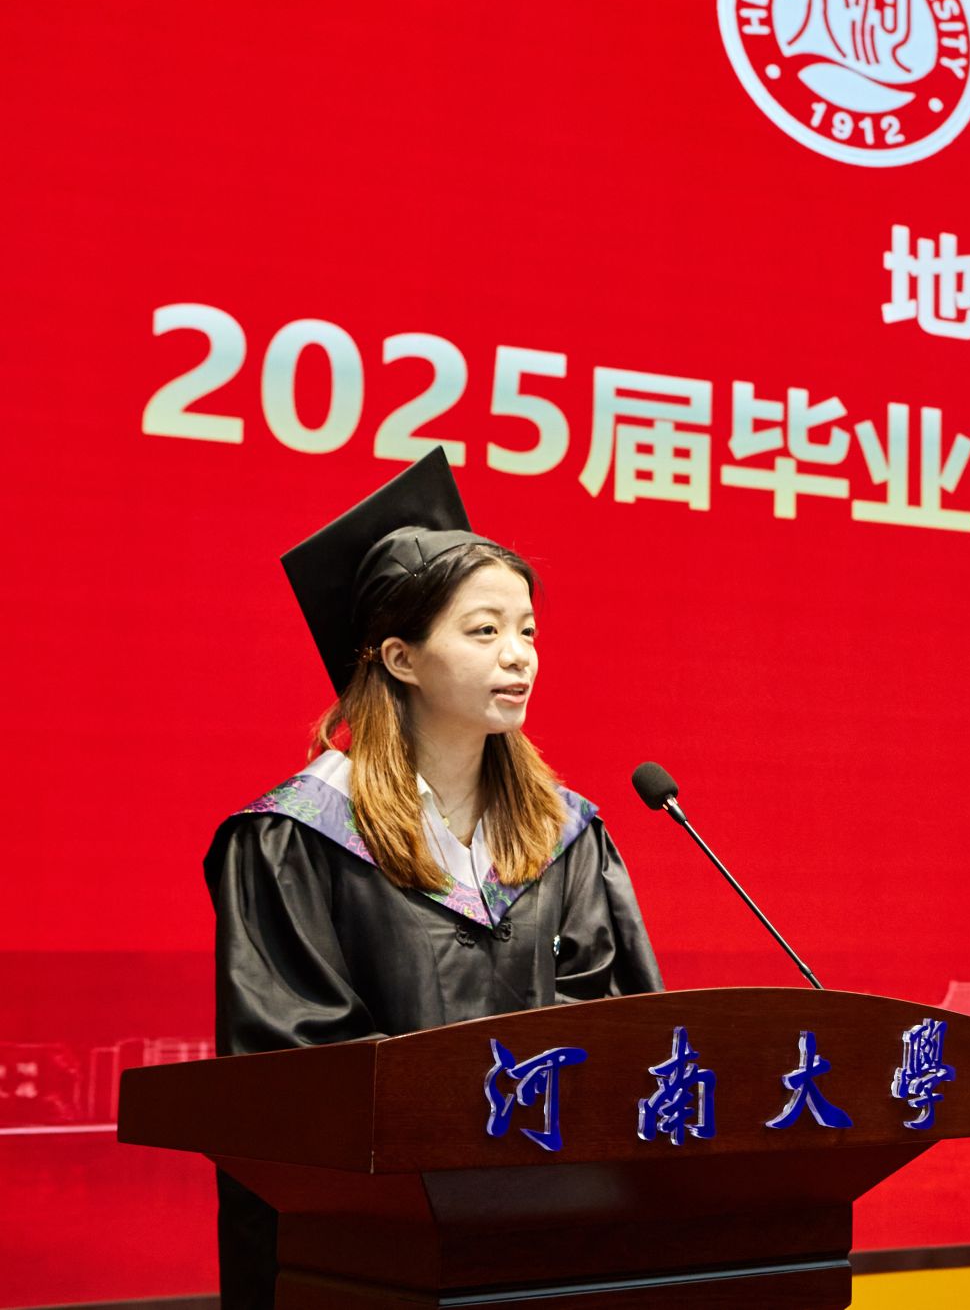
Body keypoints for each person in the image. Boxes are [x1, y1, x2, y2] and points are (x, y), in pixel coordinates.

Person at [203, 449, 663, 1308]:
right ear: (401, 658)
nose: (519, 656)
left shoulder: (565, 834)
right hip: (366, 1251)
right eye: (484, 631)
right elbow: (296, 1073)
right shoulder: (296, 836)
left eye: (528, 630)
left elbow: (612, 1029)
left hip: (543, 1236)